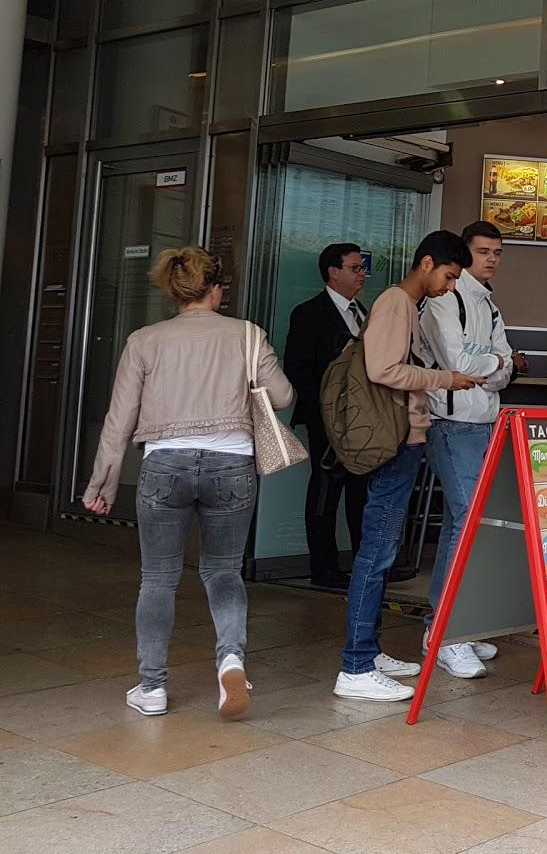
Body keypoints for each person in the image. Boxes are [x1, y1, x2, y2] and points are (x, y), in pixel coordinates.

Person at [82, 246, 294, 720]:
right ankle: (232, 660)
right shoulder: (246, 334)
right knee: (223, 571)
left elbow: (119, 420)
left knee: (157, 578)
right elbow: (282, 395)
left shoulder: (144, 340)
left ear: (174, 292)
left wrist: (104, 482)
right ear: (217, 289)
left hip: (165, 466)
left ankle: (152, 687)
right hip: (232, 466)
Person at [333, 230, 486, 704]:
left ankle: (370, 652)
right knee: (376, 551)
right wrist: (447, 379)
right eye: (447, 276)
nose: (449, 286)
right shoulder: (398, 304)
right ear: (426, 264)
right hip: (395, 441)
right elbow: (383, 369)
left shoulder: (405, 305)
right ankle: (355, 665)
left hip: (406, 439)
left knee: (382, 545)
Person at [419, 221, 515, 679]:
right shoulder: (444, 299)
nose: (492, 259)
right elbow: (456, 365)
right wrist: (493, 364)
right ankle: (445, 632)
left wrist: (491, 366)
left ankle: (450, 626)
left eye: (498, 251)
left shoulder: (490, 305)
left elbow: (505, 367)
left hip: (483, 423)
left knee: (466, 525)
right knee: (466, 524)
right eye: (483, 251)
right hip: (451, 424)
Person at [284, 242, 370, 589]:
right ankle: (324, 568)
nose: (361, 273)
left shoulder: (362, 311)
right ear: (333, 272)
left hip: (360, 420)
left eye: (362, 268)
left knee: (359, 491)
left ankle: (361, 564)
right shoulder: (309, 313)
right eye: (354, 267)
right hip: (327, 418)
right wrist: (325, 409)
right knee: (325, 490)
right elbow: (297, 368)